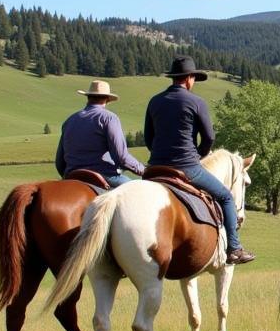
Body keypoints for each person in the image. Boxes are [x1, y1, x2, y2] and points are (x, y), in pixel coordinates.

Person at [144, 56, 255, 266]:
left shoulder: (155, 101)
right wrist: (200, 155)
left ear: (174, 78)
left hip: (155, 167)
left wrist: (159, 155)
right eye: (193, 78)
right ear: (189, 79)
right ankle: (234, 248)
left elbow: (149, 137)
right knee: (225, 197)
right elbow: (209, 137)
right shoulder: (196, 102)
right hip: (187, 166)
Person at [55, 80, 145, 187]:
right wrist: (143, 170)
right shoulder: (109, 118)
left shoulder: (69, 120)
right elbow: (121, 157)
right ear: (107, 99)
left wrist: (67, 176)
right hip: (103, 174)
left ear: (88, 97)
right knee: (139, 189)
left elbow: (59, 161)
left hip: (72, 175)